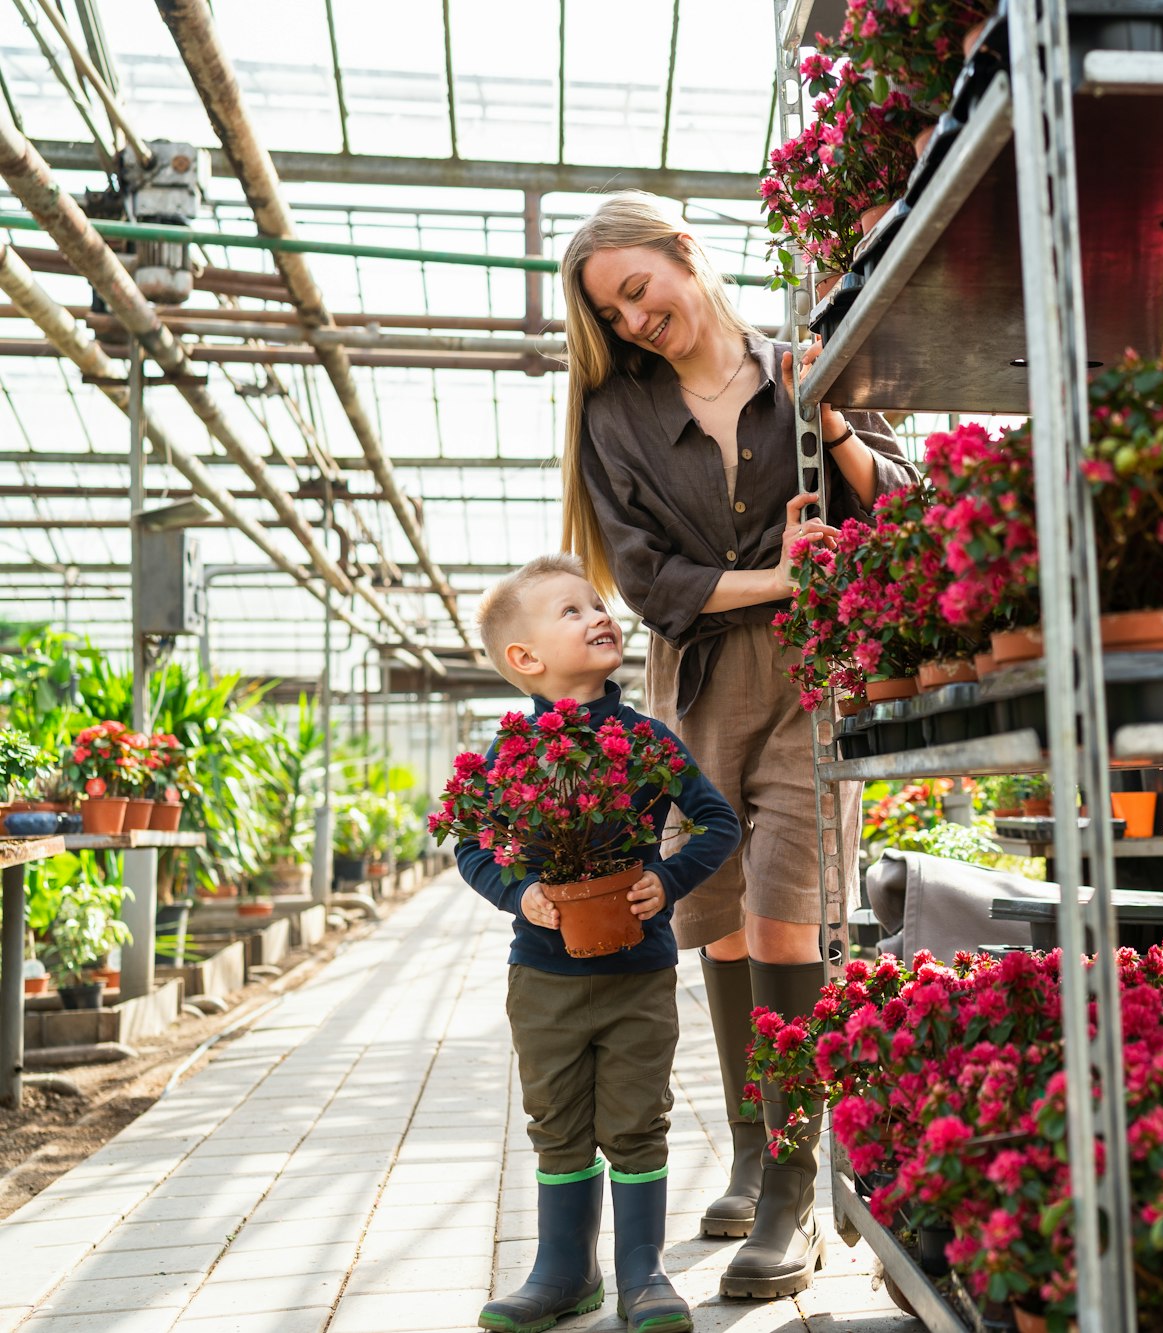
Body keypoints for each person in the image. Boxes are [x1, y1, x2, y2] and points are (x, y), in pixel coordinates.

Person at [557, 191, 920, 1299]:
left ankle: (792, 1189)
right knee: (718, 921)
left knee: (783, 906)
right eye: (611, 316)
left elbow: (905, 506)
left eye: (635, 291)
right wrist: (777, 574)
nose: (631, 321)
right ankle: (759, 1144)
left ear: (683, 253)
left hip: (816, 672)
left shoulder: (811, 362)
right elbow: (647, 580)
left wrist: (836, 416)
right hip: (705, 679)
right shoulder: (613, 416)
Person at [457, 554, 742, 1333]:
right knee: (556, 1118)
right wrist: (523, 894)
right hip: (542, 974)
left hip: (639, 970)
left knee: (636, 1116)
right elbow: (471, 847)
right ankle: (563, 1271)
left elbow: (718, 822)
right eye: (572, 611)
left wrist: (671, 880)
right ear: (526, 659)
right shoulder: (510, 755)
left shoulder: (645, 741)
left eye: (598, 603)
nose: (599, 615)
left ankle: (642, 1272)